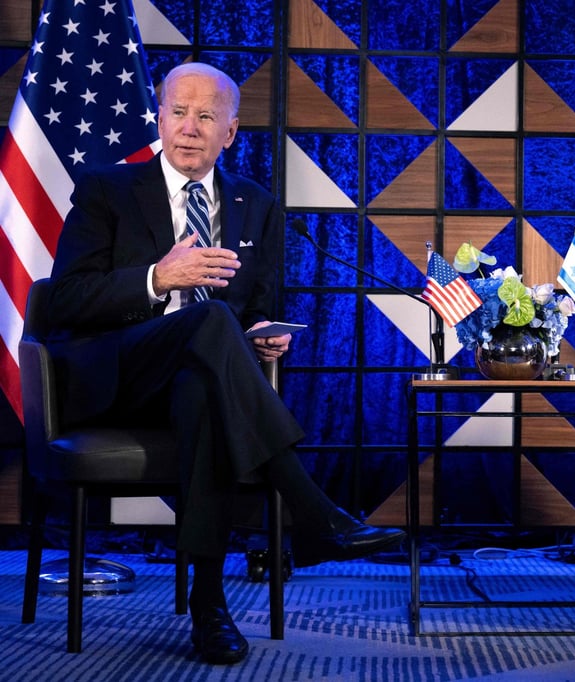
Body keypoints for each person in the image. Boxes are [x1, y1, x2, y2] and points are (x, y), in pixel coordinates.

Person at [45, 62, 405, 665]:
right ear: (159, 118)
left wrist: (262, 336)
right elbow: (63, 302)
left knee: (203, 388)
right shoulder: (107, 190)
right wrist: (160, 278)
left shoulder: (254, 205)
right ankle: (312, 509)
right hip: (117, 374)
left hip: (200, 376)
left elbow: (256, 309)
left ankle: (209, 606)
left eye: (206, 116)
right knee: (210, 325)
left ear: (230, 132)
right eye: (178, 112)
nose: (189, 128)